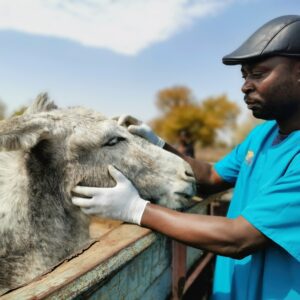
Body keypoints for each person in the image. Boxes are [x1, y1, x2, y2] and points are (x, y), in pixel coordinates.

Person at [72, 15, 300, 299]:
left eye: (258, 73)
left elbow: (240, 238)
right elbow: (210, 177)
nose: (245, 86)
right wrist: (158, 144)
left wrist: (136, 210)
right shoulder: (262, 136)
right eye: (244, 76)